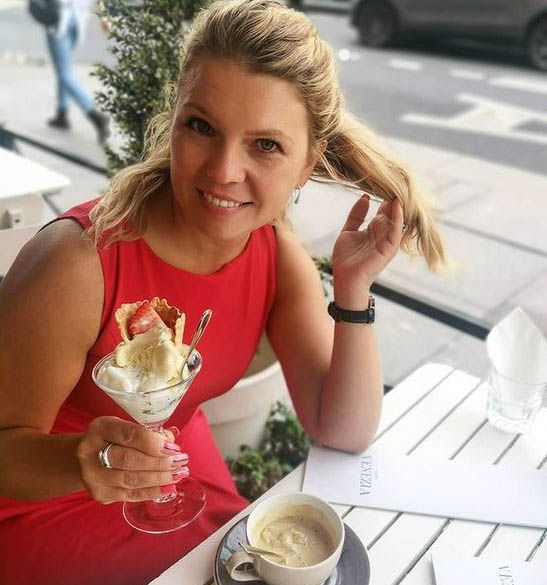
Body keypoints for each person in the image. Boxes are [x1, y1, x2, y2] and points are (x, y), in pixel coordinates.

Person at [0, 1, 445, 584]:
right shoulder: (78, 263)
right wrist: (86, 460)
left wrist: (354, 291)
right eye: (202, 127)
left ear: (308, 162)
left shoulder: (274, 252)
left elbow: (342, 429)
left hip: (175, 475)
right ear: (175, 119)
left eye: (266, 145)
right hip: (48, 501)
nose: (223, 171)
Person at [40, 0, 109, 144]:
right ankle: (62, 114)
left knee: (65, 74)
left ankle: (95, 116)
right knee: (64, 69)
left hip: (59, 20)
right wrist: (104, 17)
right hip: (77, 20)